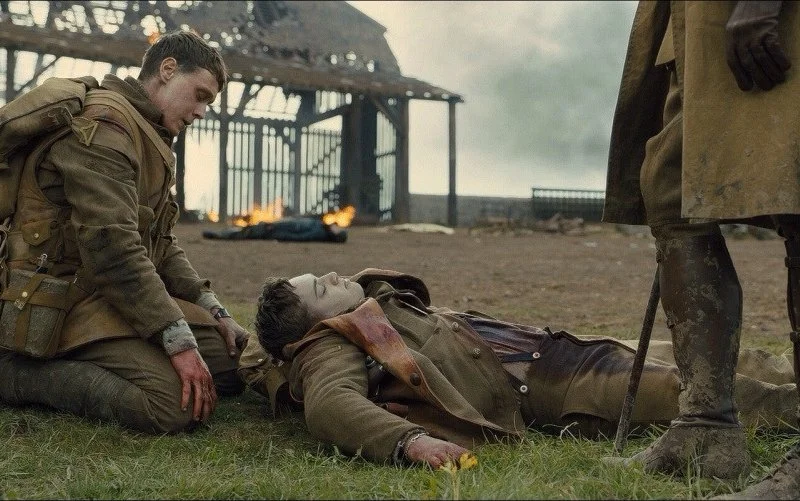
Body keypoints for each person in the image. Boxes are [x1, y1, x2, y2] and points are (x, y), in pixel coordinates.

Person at [237, 268, 798, 469]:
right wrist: (410, 442)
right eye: (321, 289)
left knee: (721, 354)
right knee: (695, 388)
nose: (333, 277)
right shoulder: (326, 346)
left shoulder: (365, 301)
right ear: (314, 327)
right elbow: (330, 405)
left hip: (553, 344)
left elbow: (253, 351)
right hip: (558, 383)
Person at [0, 30, 248, 433]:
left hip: (105, 294)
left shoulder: (145, 132)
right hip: (61, 302)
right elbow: (112, 248)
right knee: (174, 406)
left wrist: (214, 309)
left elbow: (161, 243)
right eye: (200, 95)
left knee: (230, 363)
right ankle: (16, 374)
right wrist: (177, 339)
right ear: (167, 70)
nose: (202, 111)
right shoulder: (105, 127)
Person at [602, 0, 800, 492]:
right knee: (671, 191)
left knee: (797, 185)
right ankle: (706, 428)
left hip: (767, 18)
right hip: (695, 26)